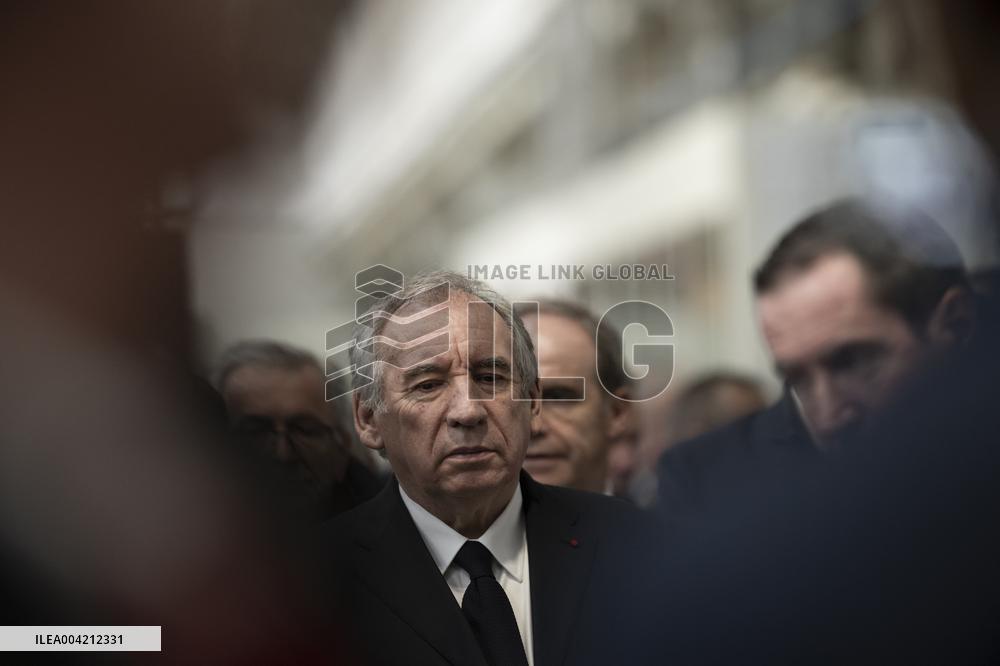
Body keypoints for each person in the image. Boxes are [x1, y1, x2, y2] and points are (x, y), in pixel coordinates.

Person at [320, 271, 655, 666]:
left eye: (491, 377)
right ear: (368, 419)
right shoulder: (313, 579)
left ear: (531, 404)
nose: (468, 411)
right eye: (428, 384)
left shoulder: (636, 545)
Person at [657, 199, 974, 517]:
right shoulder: (706, 489)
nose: (827, 416)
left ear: (955, 325)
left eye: (852, 362)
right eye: (796, 379)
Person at [217, 340, 384, 521]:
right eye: (255, 431)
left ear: (342, 446)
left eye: (304, 430)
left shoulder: (394, 535)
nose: (283, 453)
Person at [514, 300, 631, 494]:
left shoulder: (660, 524)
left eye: (558, 397)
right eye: (515, 399)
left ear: (616, 413)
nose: (534, 426)